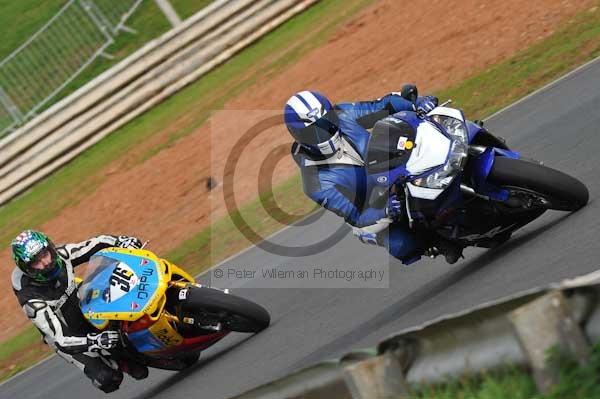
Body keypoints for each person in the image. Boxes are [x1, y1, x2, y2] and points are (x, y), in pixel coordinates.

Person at [284, 89, 462, 264]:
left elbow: (383, 105)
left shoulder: (343, 114)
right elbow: (356, 217)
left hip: (393, 167)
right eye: (315, 131)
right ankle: (438, 243)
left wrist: (417, 103)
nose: (325, 131)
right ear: (300, 137)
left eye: (326, 121)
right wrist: (385, 210)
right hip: (372, 205)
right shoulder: (316, 183)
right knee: (401, 244)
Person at [10, 230, 149, 393]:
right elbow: (61, 340)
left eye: (45, 254)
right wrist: (96, 341)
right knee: (108, 379)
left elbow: (94, 244)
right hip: (70, 337)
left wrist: (121, 241)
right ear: (27, 268)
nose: (45, 263)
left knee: (129, 325)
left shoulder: (61, 255)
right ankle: (118, 361)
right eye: (36, 262)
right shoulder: (30, 299)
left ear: (50, 248)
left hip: (84, 305)